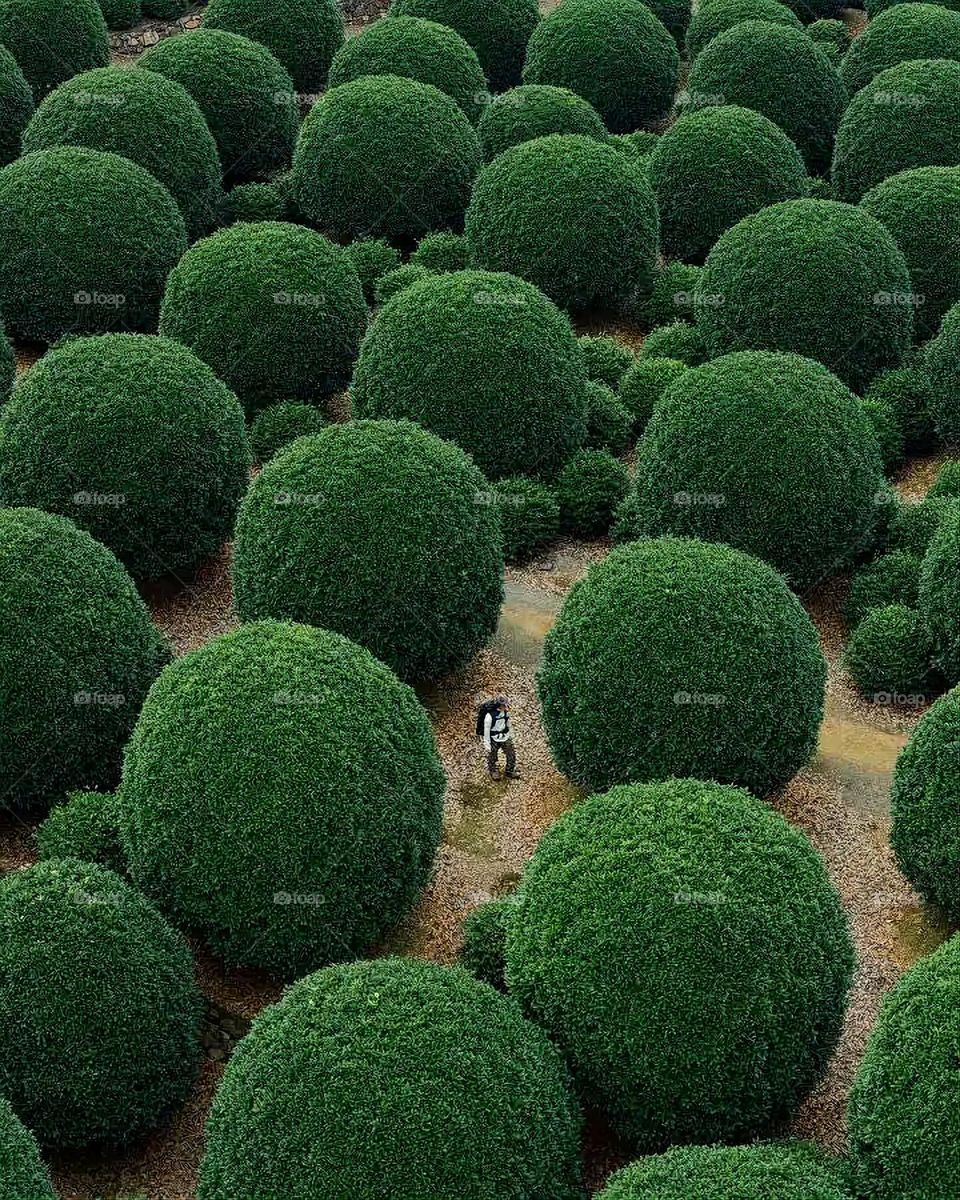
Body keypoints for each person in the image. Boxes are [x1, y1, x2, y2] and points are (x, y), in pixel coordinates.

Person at [481, 695, 520, 781]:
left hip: (505, 736)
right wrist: (487, 743)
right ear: (499, 705)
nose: (506, 706)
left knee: (511, 754)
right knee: (492, 755)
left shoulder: (506, 712)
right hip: (493, 737)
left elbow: (508, 723)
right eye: (504, 705)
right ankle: (493, 770)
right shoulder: (489, 716)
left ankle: (509, 770)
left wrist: (510, 733)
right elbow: (486, 730)